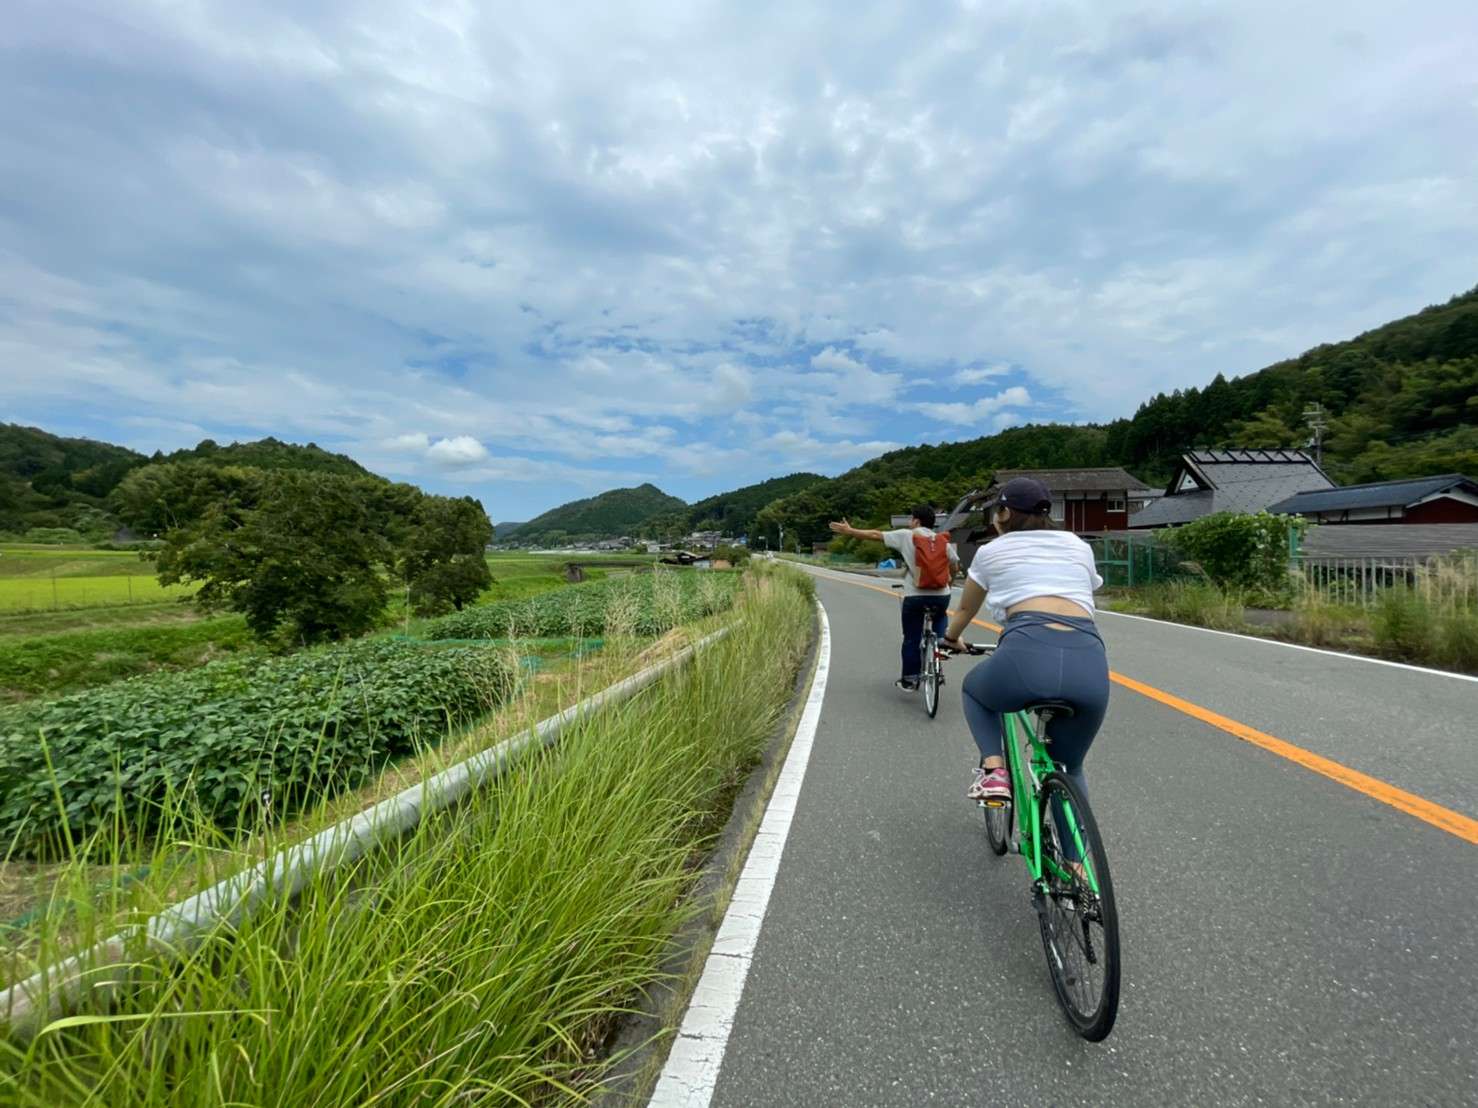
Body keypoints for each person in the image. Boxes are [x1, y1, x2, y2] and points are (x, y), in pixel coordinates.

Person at [940, 477, 1108, 803]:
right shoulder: (1077, 545)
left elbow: (965, 610)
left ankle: (994, 771)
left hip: (1026, 650)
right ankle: (1075, 839)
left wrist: (951, 639)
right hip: (1088, 659)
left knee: (974, 691)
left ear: (1004, 513)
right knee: (1069, 767)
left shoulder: (991, 551)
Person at [829, 506, 959, 691]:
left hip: (915, 596)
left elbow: (875, 535)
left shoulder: (906, 536)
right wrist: (949, 585)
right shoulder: (942, 541)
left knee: (912, 638)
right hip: (941, 595)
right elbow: (954, 566)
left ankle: (910, 679)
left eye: (911, 519)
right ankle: (940, 645)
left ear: (916, 521)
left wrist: (850, 531)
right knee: (940, 615)